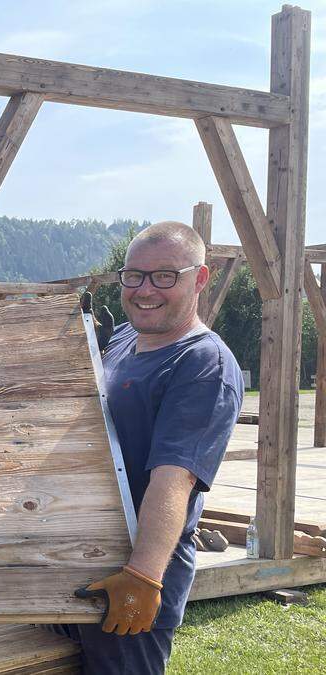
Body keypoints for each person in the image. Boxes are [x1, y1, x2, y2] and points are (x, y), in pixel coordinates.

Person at [56, 222, 243, 673]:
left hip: (140, 561)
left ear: (199, 279)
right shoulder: (123, 339)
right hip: (79, 551)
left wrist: (143, 575)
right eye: (134, 276)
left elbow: (174, 478)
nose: (145, 290)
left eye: (164, 276)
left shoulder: (202, 364)